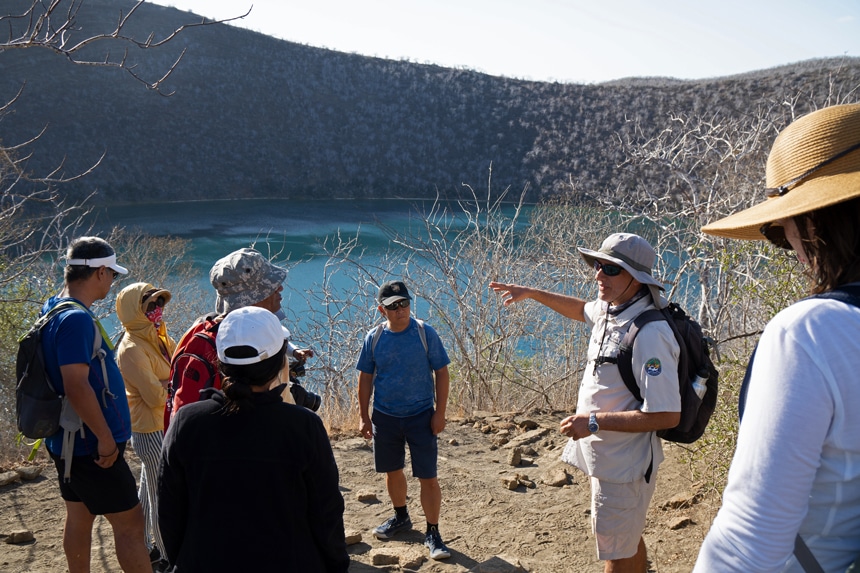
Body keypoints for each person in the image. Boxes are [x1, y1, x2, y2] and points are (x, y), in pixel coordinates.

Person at [693, 103, 860, 572]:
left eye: (780, 233)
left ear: (813, 224)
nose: (792, 250)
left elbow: (748, 543)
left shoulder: (810, 333)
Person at [490, 232, 682, 573]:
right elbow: (581, 309)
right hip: (608, 460)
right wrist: (533, 293)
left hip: (625, 467)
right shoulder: (614, 310)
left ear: (636, 279)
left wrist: (593, 422)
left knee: (615, 552)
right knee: (625, 539)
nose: (597, 275)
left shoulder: (650, 333)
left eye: (610, 269)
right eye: (598, 265)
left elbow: (666, 415)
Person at [158, 306, 349, 572]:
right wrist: (337, 565)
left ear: (222, 364)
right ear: (277, 364)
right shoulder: (303, 426)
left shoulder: (187, 422)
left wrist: (183, 559)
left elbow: (169, 509)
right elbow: (326, 511)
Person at [40, 236, 152, 573]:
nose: (112, 281)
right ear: (100, 272)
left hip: (67, 438)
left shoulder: (54, 308)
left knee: (79, 515)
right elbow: (76, 383)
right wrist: (105, 438)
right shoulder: (76, 319)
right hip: (90, 443)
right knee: (131, 525)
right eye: (113, 275)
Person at [356, 280, 453, 560]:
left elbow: (442, 373)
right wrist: (364, 417)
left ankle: (433, 532)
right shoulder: (374, 338)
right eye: (393, 306)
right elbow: (365, 379)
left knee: (428, 477)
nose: (400, 310)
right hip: (385, 417)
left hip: (421, 415)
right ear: (381, 310)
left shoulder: (425, 333)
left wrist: (440, 413)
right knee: (393, 471)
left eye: (404, 303)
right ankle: (401, 517)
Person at [166, 247, 313, 426]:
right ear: (253, 296)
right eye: (271, 285)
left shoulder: (196, 333)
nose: (280, 288)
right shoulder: (256, 343)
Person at [116, 282, 177, 571]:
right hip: (149, 429)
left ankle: (145, 545)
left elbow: (172, 375)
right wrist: (171, 384)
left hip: (163, 423)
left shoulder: (159, 338)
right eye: (150, 306)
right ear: (135, 312)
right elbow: (154, 396)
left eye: (158, 304)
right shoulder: (130, 349)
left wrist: (167, 384)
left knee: (148, 491)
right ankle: (165, 557)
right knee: (160, 493)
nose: (157, 310)